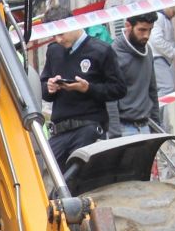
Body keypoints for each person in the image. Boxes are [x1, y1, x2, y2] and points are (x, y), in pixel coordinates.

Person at [40, 12, 127, 165]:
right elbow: (44, 88)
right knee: (46, 178)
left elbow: (119, 89)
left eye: (61, 34)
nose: (58, 39)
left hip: (88, 129)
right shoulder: (54, 50)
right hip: (59, 131)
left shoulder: (101, 50)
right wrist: (50, 87)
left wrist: (88, 88)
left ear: (73, 24)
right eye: (54, 36)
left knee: (83, 182)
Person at [106, 13, 161, 136]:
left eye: (150, 30)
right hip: (124, 128)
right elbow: (110, 99)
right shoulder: (113, 54)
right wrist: (115, 135)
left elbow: (152, 91)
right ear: (128, 26)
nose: (146, 35)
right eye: (141, 30)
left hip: (146, 126)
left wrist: (156, 128)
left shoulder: (148, 51)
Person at [149, 9, 175, 98]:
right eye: (173, 7)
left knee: (165, 89)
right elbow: (156, 40)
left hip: (161, 59)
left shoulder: (164, 19)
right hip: (158, 58)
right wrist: (173, 52)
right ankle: (152, 110)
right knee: (167, 88)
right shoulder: (159, 18)